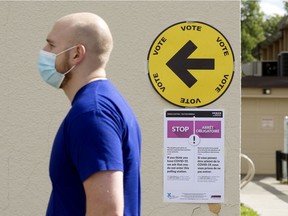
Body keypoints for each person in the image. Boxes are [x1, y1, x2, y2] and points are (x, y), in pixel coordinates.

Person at [37, 12, 141, 216]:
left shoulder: (93, 113)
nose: (44, 51)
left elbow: (107, 210)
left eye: (51, 45)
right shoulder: (104, 103)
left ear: (76, 54)